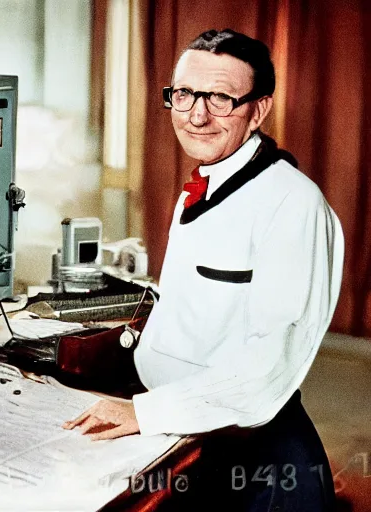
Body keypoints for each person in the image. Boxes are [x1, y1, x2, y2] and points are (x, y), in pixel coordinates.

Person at [63, 29, 343, 511]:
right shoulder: (204, 184)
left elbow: (268, 367)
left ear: (258, 109)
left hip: (255, 459)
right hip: (187, 428)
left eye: (220, 98)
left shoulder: (293, 204)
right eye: (186, 94)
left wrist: (144, 412)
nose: (196, 115)